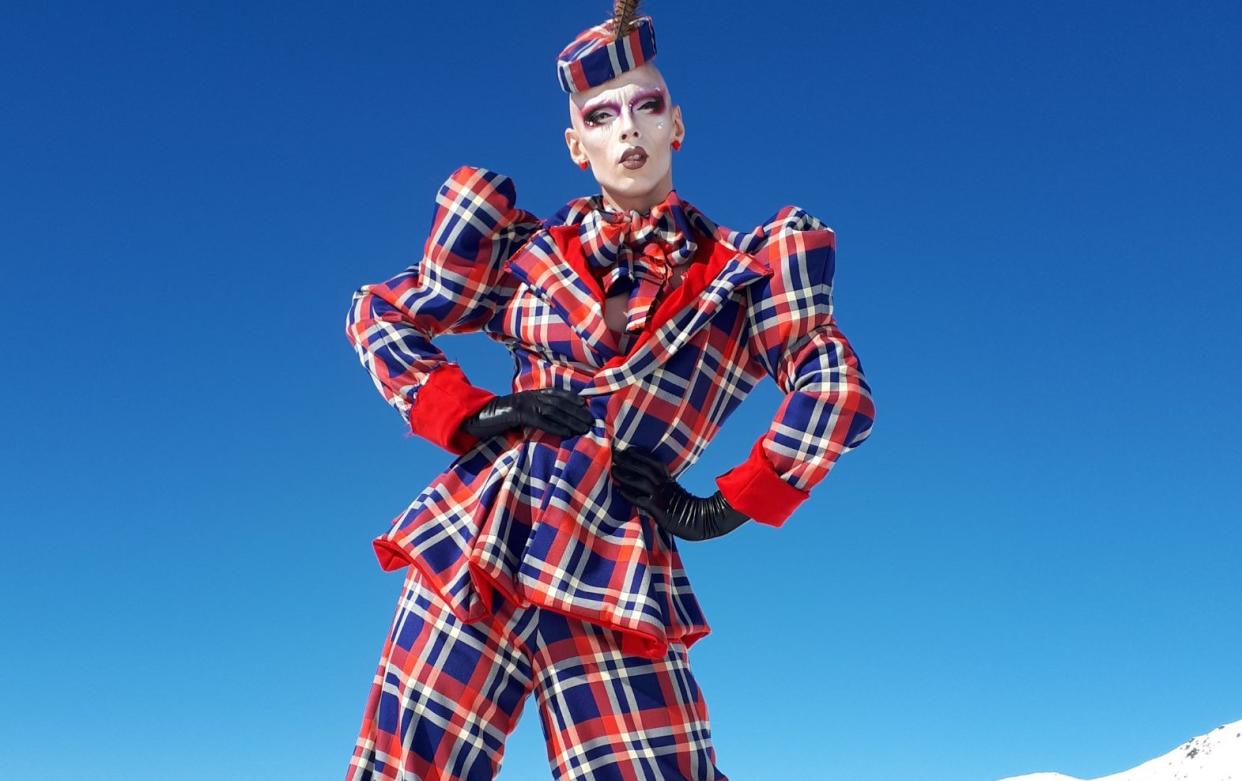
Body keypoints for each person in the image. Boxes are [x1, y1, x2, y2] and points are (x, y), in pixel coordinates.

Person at [342, 5, 875, 780]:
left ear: (677, 125)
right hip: (481, 544)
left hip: (615, 559)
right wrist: (476, 414)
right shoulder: (522, 256)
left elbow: (835, 387)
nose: (627, 132)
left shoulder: (740, 273)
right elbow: (379, 311)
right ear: (576, 145)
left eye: (647, 106)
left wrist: (723, 506)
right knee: (403, 767)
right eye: (601, 116)